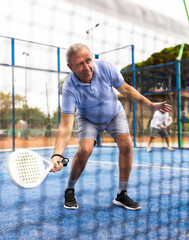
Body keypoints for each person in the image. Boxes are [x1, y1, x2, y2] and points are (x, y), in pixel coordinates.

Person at [50, 43, 172, 211]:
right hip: (88, 119)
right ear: (70, 67)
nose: (87, 67)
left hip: (114, 115)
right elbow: (65, 125)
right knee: (85, 150)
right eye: (80, 64)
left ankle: (122, 194)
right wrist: (57, 154)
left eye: (88, 60)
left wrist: (150, 105)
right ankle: (70, 189)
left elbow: (127, 90)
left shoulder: (106, 68)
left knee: (126, 144)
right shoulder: (69, 87)